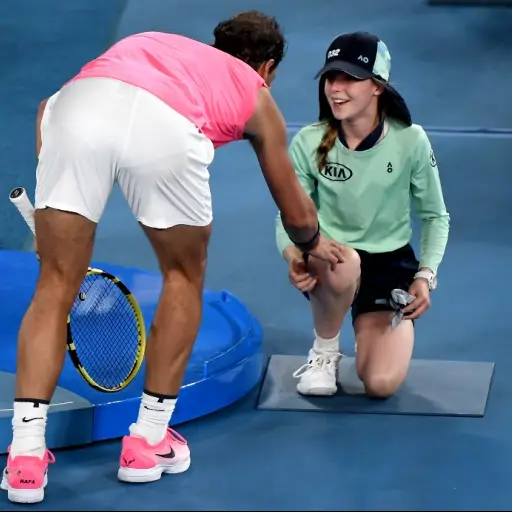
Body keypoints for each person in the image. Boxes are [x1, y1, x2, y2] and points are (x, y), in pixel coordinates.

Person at [2, 11, 346, 504]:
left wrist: (55, 206)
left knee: (55, 283)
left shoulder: (152, 42)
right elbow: (291, 202)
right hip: (164, 129)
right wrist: (312, 245)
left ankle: (26, 458)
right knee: (184, 274)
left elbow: (46, 108)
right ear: (268, 67)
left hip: (76, 111)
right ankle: (147, 441)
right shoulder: (255, 92)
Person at [275, 31, 450, 399]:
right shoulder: (308, 142)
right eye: (331, 77)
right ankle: (325, 351)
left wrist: (425, 275)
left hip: (389, 267)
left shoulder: (411, 140)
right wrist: (293, 254)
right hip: (330, 260)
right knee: (345, 261)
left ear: (377, 87)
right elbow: (288, 215)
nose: (336, 88)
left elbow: (435, 216)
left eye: (350, 79)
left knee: (380, 384)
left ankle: (368, 328)